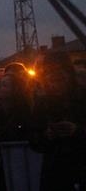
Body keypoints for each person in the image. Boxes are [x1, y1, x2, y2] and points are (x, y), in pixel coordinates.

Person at [31, 52, 86, 190]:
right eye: (50, 74)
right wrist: (47, 135)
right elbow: (33, 139)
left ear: (68, 73)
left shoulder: (82, 98)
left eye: (59, 74)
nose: (55, 80)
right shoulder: (42, 103)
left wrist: (77, 131)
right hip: (55, 172)